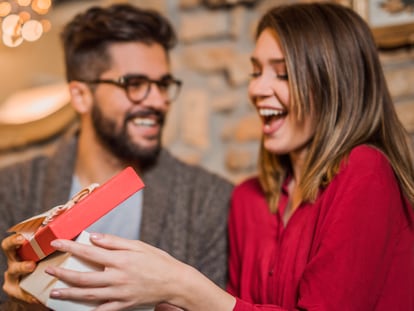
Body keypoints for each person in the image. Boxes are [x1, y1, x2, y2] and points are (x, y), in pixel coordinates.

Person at [35, 2, 414, 311]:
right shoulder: (249, 200)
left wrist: (182, 284)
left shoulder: (365, 172)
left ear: (335, 85)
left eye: (282, 74)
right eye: (255, 71)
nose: (257, 88)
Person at [0, 3, 233, 310]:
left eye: (163, 84)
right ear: (81, 96)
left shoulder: (208, 199)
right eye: (134, 84)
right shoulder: (11, 189)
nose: (158, 101)